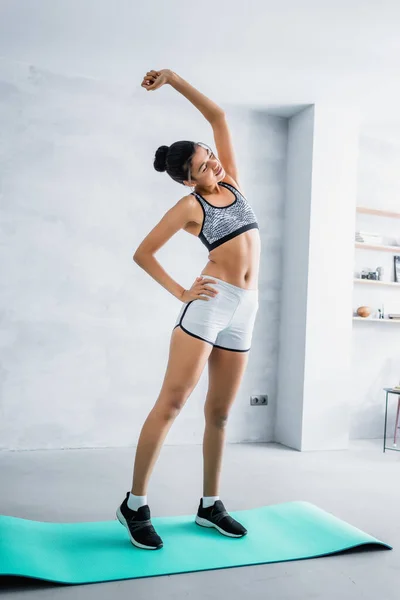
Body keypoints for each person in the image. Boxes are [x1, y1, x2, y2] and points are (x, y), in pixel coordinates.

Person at [116, 69, 261, 550]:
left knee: (219, 414)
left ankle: (210, 505)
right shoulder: (188, 206)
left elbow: (217, 114)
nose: (214, 166)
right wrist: (182, 293)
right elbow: (143, 252)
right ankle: (134, 505)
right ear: (186, 179)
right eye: (203, 167)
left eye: (210, 157)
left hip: (247, 308)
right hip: (210, 308)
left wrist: (175, 80)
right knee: (172, 404)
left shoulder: (232, 182)